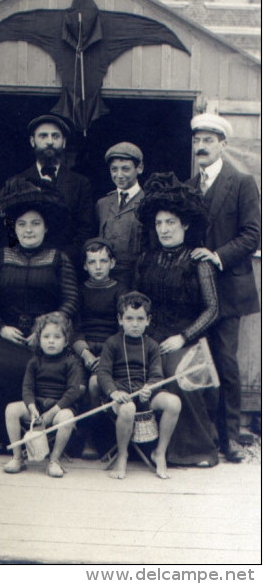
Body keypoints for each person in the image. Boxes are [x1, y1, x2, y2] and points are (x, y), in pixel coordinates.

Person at [0, 178, 79, 457]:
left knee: (37, 368)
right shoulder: (1, 256)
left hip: (46, 338)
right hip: (9, 334)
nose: (29, 230)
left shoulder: (58, 258)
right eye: (22, 224)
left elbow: (72, 299)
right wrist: (1, 328)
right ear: (14, 229)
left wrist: (46, 330)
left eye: (35, 224)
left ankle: (38, 438)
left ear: (46, 227)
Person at [187, 114, 261, 463]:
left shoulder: (242, 182)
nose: (201, 147)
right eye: (197, 141)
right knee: (196, 365)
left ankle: (230, 438)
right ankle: (204, 437)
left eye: (209, 141)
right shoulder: (189, 187)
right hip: (196, 293)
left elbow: (252, 234)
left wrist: (217, 256)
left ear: (223, 145)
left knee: (226, 364)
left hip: (228, 289)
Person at [134, 172, 220, 467]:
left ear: (184, 223)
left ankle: (190, 450)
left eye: (170, 222)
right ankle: (139, 445)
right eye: (159, 223)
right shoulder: (146, 259)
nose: (164, 229)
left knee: (178, 378)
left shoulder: (198, 261)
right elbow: (138, 304)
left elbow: (212, 309)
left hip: (186, 339)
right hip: (150, 337)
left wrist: (182, 337)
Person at [98, 292, 181, 479]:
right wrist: (114, 392)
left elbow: (157, 374)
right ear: (120, 320)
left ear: (148, 320)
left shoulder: (151, 345)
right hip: (121, 396)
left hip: (145, 393)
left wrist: (150, 387)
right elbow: (103, 373)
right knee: (127, 409)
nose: (135, 324)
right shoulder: (112, 344)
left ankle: (159, 452)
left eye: (140, 319)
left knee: (174, 402)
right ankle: (123, 455)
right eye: (129, 318)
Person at [2, 114, 95, 267]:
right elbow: (7, 229)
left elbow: (85, 229)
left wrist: (62, 257)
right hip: (25, 265)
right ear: (33, 141)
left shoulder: (80, 183)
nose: (50, 141)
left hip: (66, 265)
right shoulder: (16, 182)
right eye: (43, 136)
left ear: (64, 142)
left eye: (55, 136)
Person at [4, 311, 82, 478]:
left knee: (67, 417)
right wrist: (32, 408)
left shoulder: (71, 362)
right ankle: (18, 457)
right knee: (11, 409)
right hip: (37, 406)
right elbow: (27, 388)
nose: (51, 341)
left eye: (57, 337)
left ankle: (54, 460)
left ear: (66, 340)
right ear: (39, 339)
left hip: (59, 408)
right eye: (46, 337)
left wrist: (52, 412)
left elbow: (73, 391)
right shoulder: (34, 362)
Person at [71, 238, 124, 460]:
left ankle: (97, 439)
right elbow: (74, 329)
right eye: (92, 262)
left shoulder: (120, 291)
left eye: (103, 261)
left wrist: (105, 355)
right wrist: (85, 353)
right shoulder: (79, 291)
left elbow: (123, 328)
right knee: (76, 386)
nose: (98, 266)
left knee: (97, 385)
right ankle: (75, 438)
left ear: (112, 263)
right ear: (85, 266)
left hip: (111, 350)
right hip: (82, 350)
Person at [96, 142, 145, 288]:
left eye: (125, 169)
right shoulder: (103, 204)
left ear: (139, 168)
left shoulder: (148, 202)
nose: (119, 175)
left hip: (135, 281)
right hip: (106, 282)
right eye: (114, 169)